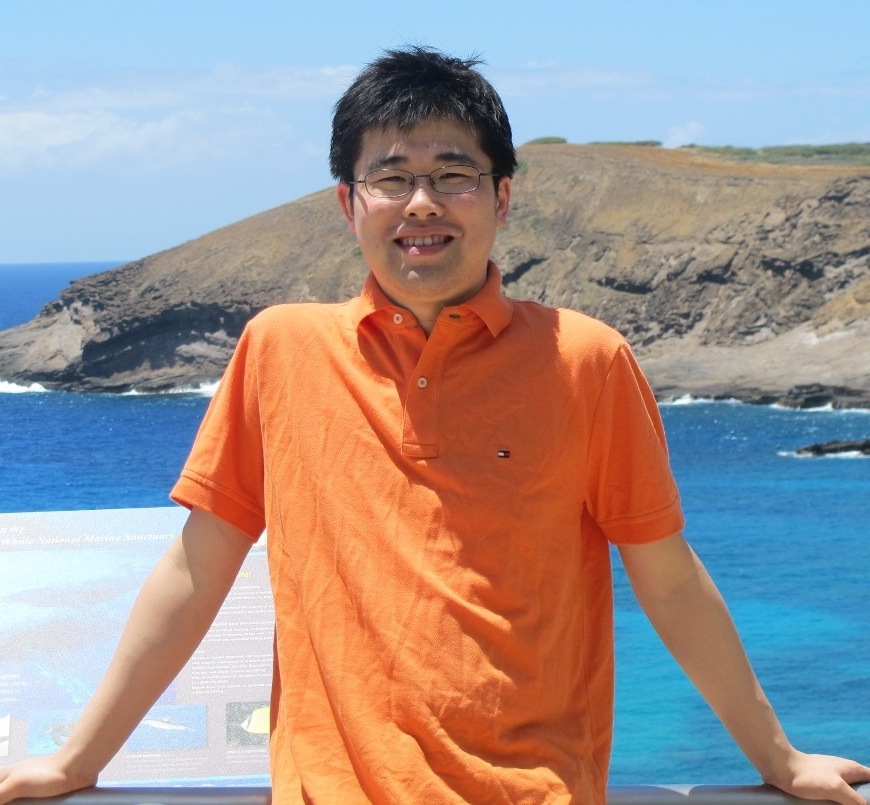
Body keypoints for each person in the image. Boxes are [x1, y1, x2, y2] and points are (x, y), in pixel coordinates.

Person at [0, 46, 868, 805]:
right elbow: (197, 569)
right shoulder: (279, 349)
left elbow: (668, 579)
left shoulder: (587, 360)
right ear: (349, 203)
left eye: (454, 174)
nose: (422, 202)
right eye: (391, 177)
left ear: (502, 197)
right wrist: (78, 759)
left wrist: (778, 757)